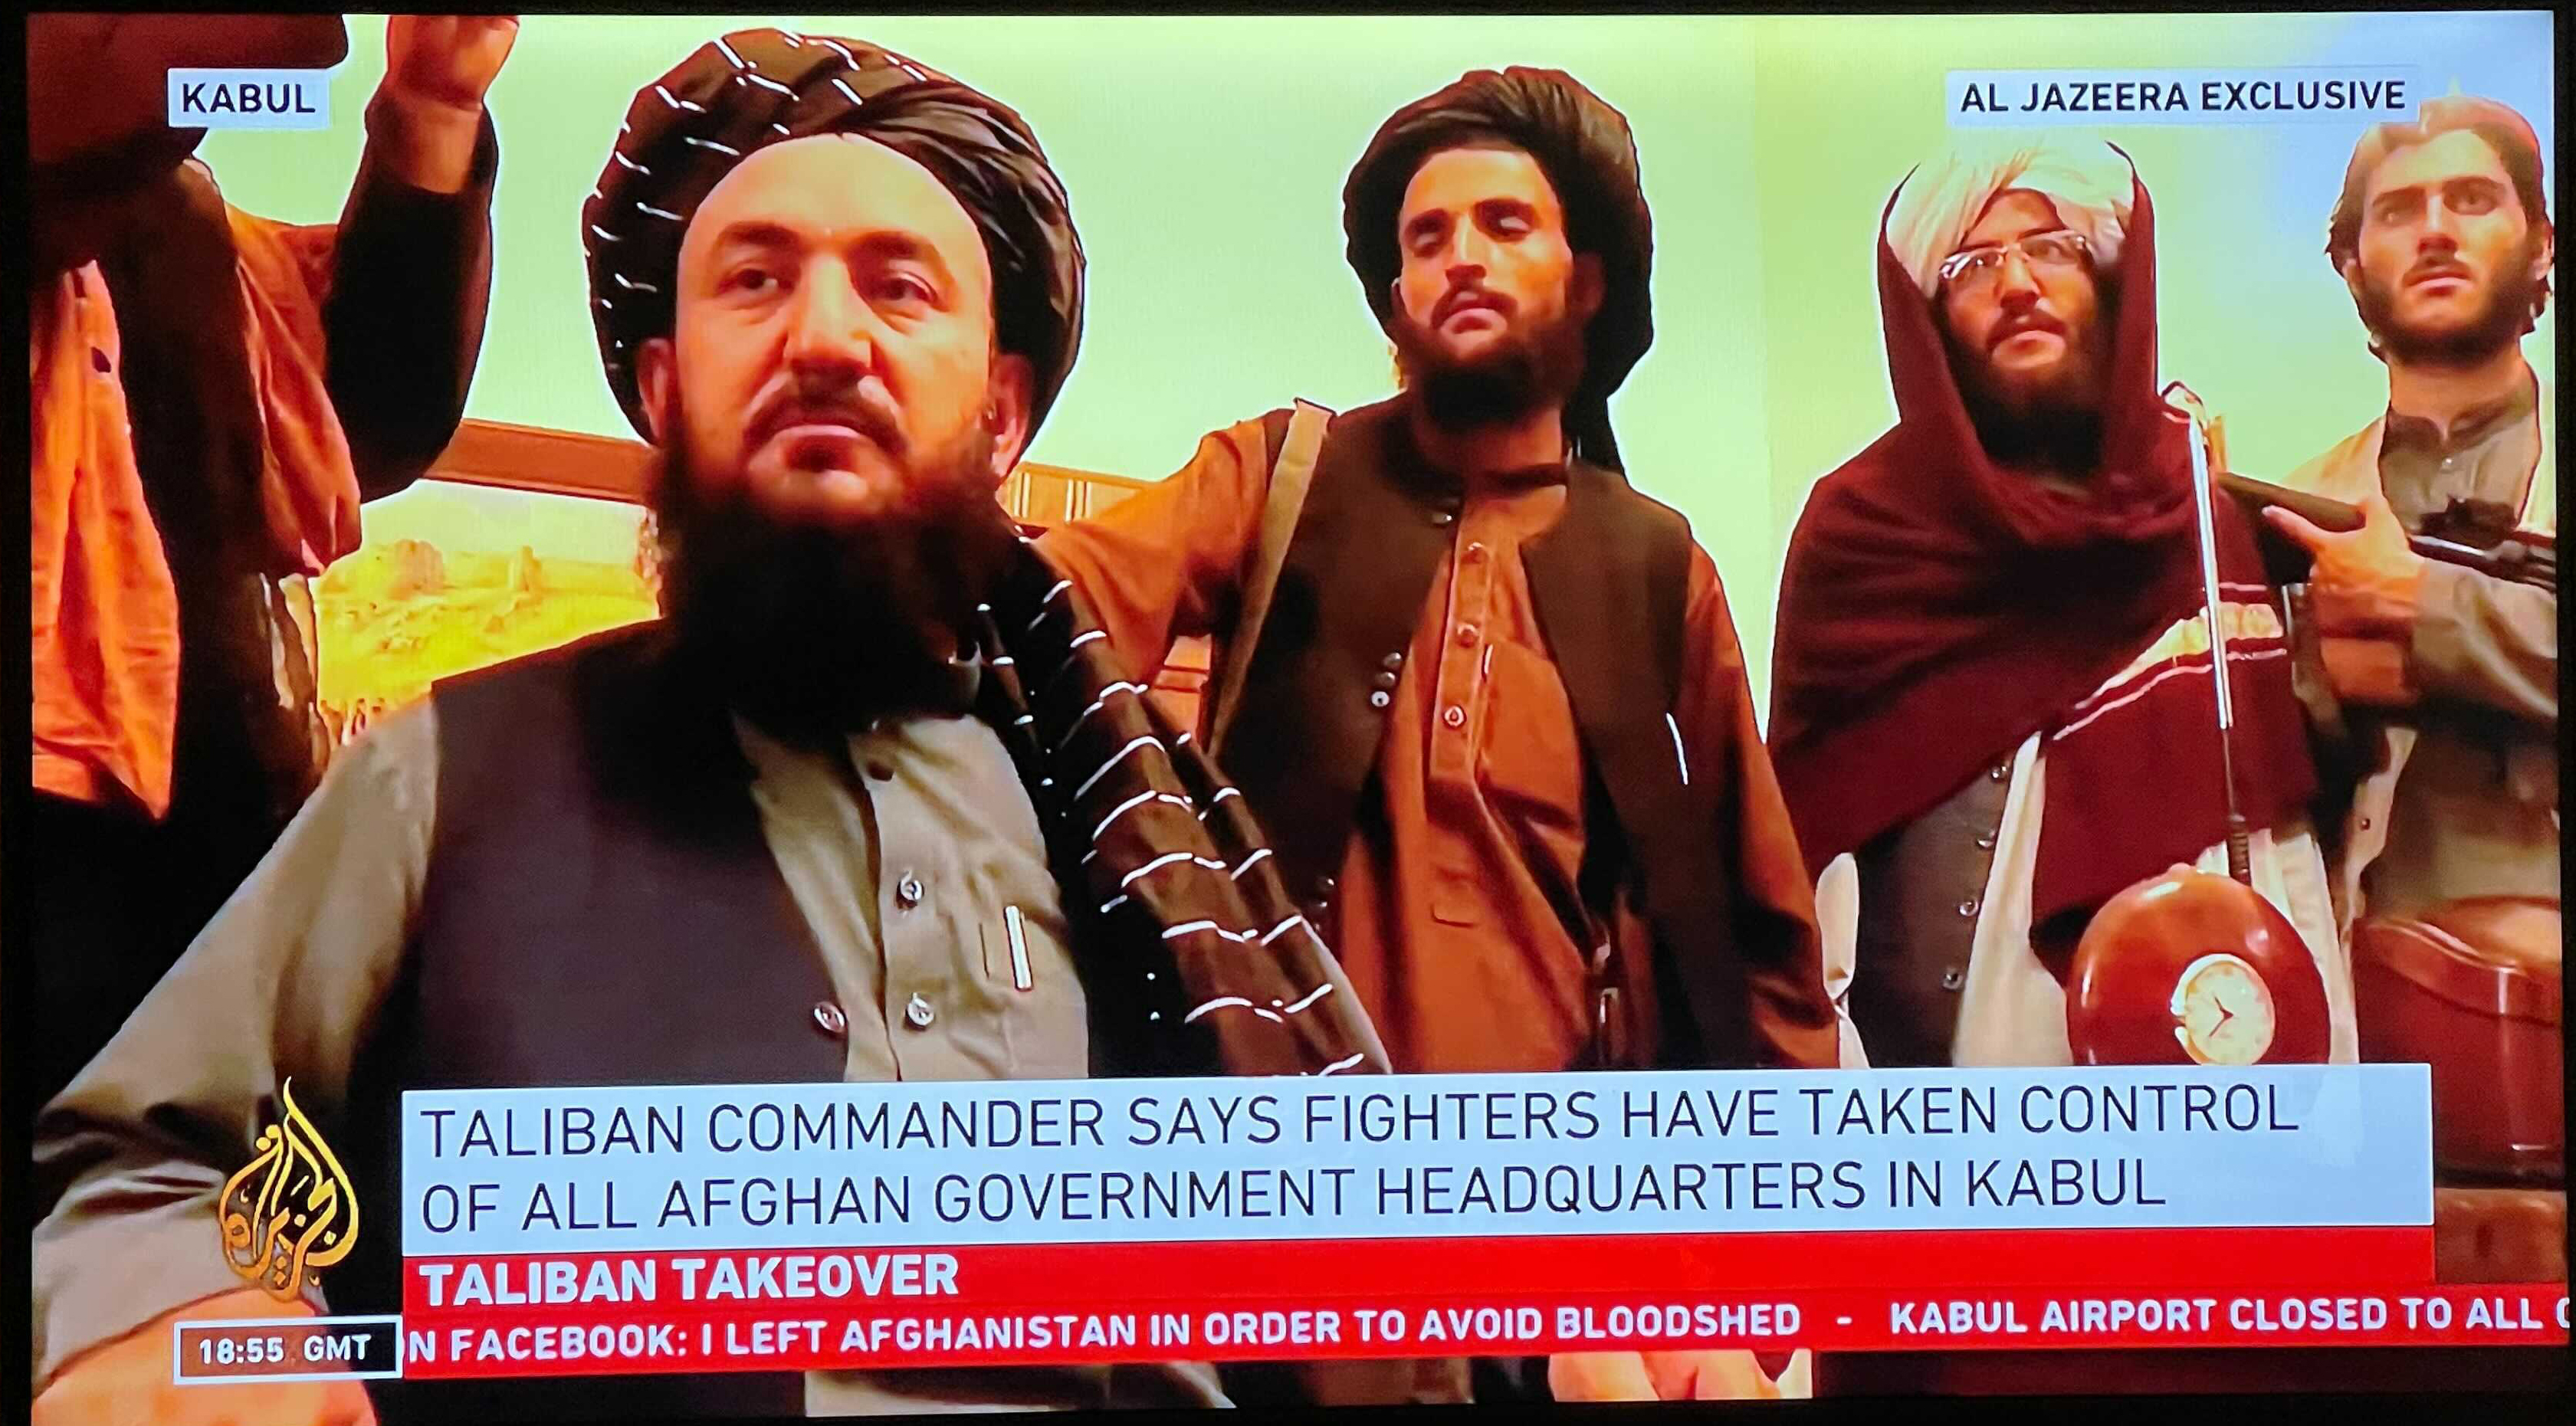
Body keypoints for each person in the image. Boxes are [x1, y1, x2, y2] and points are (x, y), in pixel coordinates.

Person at [32, 31, 1386, 1426]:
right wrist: (193, 1312)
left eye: (899, 288)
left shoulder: (1145, 840)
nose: (825, 340)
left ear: (999, 416)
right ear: (666, 394)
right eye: (755, 282)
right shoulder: (453, 775)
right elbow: (143, 1160)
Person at [1035, 66, 1835, 1405]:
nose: (1460, 253)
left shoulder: (1660, 571)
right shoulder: (1278, 478)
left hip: (1577, 1273)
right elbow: (1044, 614)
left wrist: (1764, 1288)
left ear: (1585, 280)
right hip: (1285, 1231)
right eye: (1426, 235)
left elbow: (1766, 954)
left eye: (1504, 224)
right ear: (1396, 293)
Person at [1767, 135, 2358, 1397]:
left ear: (2115, 284)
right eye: (1973, 264)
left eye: (2051, 249)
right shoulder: (1854, 535)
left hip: (2186, 1155)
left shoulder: (2200, 525)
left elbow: (2281, 871)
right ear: (1925, 319)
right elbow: (1800, 867)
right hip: (1917, 1180)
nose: (2019, 283)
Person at [27, 15, 512, 1109]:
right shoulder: (75, 142)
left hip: (220, 876)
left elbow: (360, 417)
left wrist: (431, 105)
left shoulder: (184, 222)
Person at [2272, 96, 2555, 930]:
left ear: (2541, 244)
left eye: (2470, 199)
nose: (2435, 231)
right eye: (2398, 210)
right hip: (2357, 976)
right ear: (2352, 267)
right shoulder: (2303, 503)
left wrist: (2423, 609)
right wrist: (2317, 681)